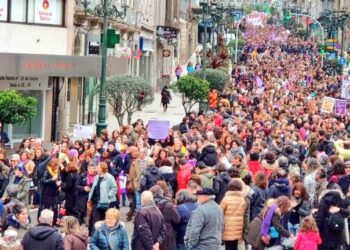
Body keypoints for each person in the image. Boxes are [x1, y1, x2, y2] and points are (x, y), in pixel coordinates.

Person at [88, 162, 118, 236]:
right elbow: (93, 188)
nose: (96, 169)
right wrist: (90, 198)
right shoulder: (96, 177)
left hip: (107, 202)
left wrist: (108, 196)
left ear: (102, 168)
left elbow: (114, 188)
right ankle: (94, 236)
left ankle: (107, 235)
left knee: (106, 219)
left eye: (98, 167)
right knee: (95, 219)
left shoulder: (109, 177)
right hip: (96, 201)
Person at [150, 185, 180, 250]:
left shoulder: (148, 206)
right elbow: (177, 220)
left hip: (152, 234)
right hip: (167, 234)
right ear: (161, 193)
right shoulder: (168, 205)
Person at [220, 179, 247, 250]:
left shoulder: (226, 199)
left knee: (228, 246)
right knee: (235, 245)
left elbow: (220, 211)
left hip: (227, 226)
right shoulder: (242, 200)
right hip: (238, 226)